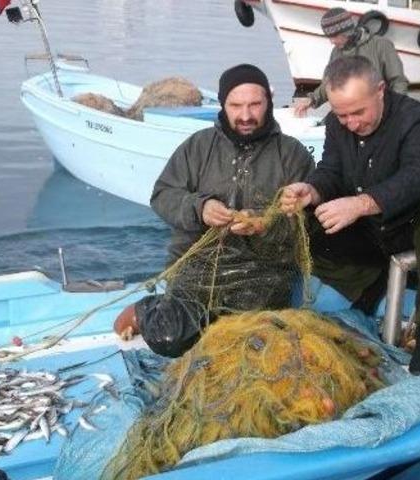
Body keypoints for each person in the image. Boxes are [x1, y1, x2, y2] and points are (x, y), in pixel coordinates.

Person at [280, 56, 420, 375]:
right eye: (341, 115)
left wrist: (362, 203)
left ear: (380, 91)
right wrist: (311, 190)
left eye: (358, 112)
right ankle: (367, 287)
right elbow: (331, 171)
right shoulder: (337, 126)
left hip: (414, 219)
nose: (351, 123)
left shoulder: (417, 120)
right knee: (304, 227)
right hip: (369, 229)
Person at [114, 64, 315, 355]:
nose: (246, 115)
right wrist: (200, 207)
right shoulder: (197, 146)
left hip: (262, 269)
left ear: (268, 103)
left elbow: (304, 223)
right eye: (236, 105)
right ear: (223, 105)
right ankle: (144, 309)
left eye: (255, 105)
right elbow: (162, 195)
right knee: (171, 339)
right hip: (198, 262)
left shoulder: (292, 154)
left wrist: (263, 225)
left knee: (250, 346)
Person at [293, 7, 409, 117]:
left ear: (347, 32)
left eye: (334, 36)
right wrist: (312, 99)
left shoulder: (381, 45)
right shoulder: (336, 52)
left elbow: (398, 81)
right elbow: (329, 84)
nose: (332, 41)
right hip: (347, 114)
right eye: (329, 37)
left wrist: (394, 110)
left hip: (378, 114)